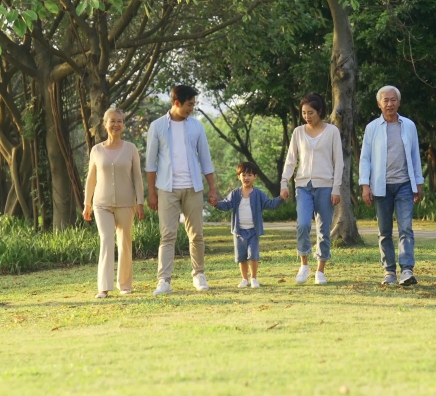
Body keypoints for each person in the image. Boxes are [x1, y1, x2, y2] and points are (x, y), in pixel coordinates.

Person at [145, 85, 218, 295]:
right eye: (189, 104)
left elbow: (206, 159)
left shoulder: (196, 127)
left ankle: (199, 275)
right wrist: (151, 193)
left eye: (194, 104)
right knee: (167, 236)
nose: (192, 108)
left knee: (197, 235)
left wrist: (212, 188)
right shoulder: (157, 126)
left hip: (193, 187)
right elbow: (151, 164)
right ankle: (164, 280)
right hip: (167, 190)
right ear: (176, 103)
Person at [359, 85, 423, 286]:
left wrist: (418, 183)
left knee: (406, 228)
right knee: (384, 231)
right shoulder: (372, 128)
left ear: (399, 102)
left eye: (393, 100)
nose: (390, 104)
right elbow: (365, 159)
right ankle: (389, 272)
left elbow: (415, 156)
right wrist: (365, 185)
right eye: (385, 100)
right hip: (381, 187)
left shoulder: (409, 126)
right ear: (379, 104)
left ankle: (406, 270)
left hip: (404, 184)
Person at [280, 93, 344, 285]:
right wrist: (284, 182)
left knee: (324, 230)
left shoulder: (332, 131)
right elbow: (291, 160)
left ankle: (320, 271)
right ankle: (304, 264)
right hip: (303, 186)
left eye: (311, 113)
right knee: (303, 225)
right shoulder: (298, 132)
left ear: (320, 112)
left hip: (326, 186)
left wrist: (336, 188)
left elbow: (338, 162)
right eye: (304, 113)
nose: (307, 116)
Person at [83, 108, 145, 299]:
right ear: (105, 124)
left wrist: (140, 202)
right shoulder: (96, 150)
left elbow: (137, 177)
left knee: (125, 242)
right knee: (106, 239)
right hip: (101, 204)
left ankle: (125, 284)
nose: (116, 124)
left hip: (127, 203)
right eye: (112, 121)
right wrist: (87, 204)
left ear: (123, 125)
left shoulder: (131, 148)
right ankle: (103, 286)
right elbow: (90, 179)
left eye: (120, 121)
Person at [213, 162, 287, 288]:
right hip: (239, 231)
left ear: (255, 177)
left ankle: (253, 278)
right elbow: (226, 204)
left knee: (253, 254)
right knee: (241, 257)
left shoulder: (259, 194)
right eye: (244, 175)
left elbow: (270, 204)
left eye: (249, 175)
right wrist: (216, 203)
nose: (246, 177)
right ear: (239, 176)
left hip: (253, 230)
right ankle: (244, 279)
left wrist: (280, 198)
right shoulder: (235, 194)